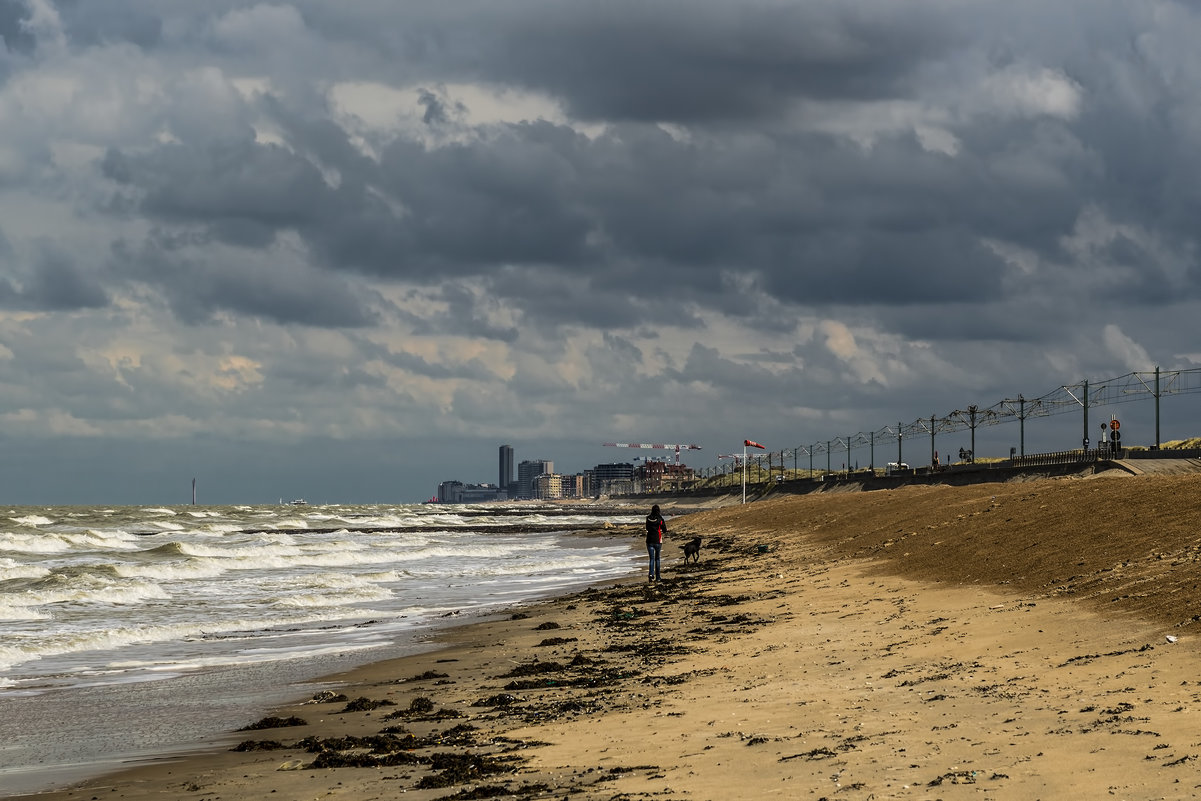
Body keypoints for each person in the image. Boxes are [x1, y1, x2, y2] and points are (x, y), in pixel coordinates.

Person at [644, 504, 667, 581]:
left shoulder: (648, 518)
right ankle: (658, 577)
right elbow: (664, 529)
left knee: (651, 559)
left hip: (649, 540)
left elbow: (647, 528)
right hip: (658, 540)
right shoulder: (660, 519)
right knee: (657, 559)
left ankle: (651, 575)